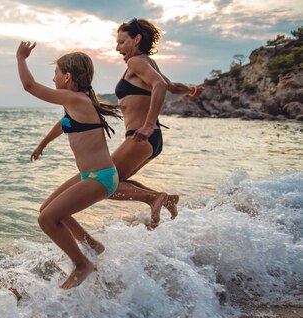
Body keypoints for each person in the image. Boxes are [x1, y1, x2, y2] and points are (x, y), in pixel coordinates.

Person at [17, 41, 122, 289]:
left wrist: (21, 58)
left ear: (67, 76)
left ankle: (82, 264)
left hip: (100, 178)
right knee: (47, 209)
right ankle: (93, 245)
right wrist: (43, 144)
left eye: (55, 74)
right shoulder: (76, 102)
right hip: (92, 175)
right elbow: (65, 124)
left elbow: (29, 86)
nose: (53, 80)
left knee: (48, 219)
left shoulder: (76, 100)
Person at [110, 17, 203, 228]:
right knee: (116, 181)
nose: (117, 48)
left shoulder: (136, 62)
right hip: (151, 139)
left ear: (137, 40)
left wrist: (149, 123)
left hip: (142, 135)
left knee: (103, 183)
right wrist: (192, 90)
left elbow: (160, 85)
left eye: (122, 42)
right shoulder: (147, 63)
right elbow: (172, 86)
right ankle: (164, 199)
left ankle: (154, 198)